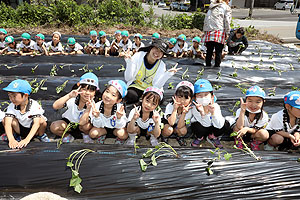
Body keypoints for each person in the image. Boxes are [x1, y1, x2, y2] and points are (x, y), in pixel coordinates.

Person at [124, 38, 181, 104]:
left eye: (161, 51)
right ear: (150, 48)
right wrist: (129, 62)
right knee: (130, 96)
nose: (157, 53)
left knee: (156, 100)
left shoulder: (161, 66)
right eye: (156, 49)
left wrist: (167, 74)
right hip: (136, 86)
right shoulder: (138, 56)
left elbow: (156, 86)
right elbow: (128, 78)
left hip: (151, 89)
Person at [50, 72, 100, 143]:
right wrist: (69, 96)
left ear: (95, 92)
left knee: (86, 126)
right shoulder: (73, 99)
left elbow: (82, 123)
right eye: (84, 89)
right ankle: (67, 136)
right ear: (79, 89)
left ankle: (86, 136)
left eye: (91, 90)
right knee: (54, 126)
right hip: (69, 124)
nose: (87, 93)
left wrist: (88, 108)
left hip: (83, 127)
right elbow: (55, 106)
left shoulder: (94, 105)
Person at [3, 79, 50, 149]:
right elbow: (8, 123)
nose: (11, 99)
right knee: (5, 120)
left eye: (14, 96)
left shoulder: (34, 105)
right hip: (20, 129)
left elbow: (36, 124)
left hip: (33, 130)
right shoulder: (12, 106)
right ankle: (15, 136)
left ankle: (41, 135)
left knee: (41, 121)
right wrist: (11, 139)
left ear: (25, 96)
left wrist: (26, 140)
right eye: (9, 96)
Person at [81, 80, 128, 144]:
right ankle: (102, 136)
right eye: (107, 91)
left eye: (113, 95)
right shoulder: (97, 106)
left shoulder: (120, 108)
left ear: (118, 100)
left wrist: (119, 118)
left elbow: (121, 126)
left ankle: (118, 138)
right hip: (102, 129)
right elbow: (96, 125)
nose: (108, 96)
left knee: (123, 134)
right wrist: (97, 117)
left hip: (115, 129)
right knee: (92, 133)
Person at [191, 79, 230, 148]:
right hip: (203, 127)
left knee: (225, 124)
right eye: (199, 95)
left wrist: (213, 113)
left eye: (206, 95)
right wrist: (203, 113)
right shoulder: (195, 109)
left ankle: (213, 137)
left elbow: (219, 125)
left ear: (212, 96)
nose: (203, 98)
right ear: (195, 98)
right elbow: (206, 125)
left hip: (214, 126)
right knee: (197, 126)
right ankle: (200, 137)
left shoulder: (216, 106)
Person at [232, 86, 269, 150]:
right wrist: (242, 111)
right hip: (240, 133)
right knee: (236, 128)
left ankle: (255, 143)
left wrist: (246, 129)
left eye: (258, 102)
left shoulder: (263, 116)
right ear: (245, 100)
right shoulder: (240, 111)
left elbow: (255, 130)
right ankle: (239, 141)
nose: (253, 105)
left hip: (253, 134)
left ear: (263, 102)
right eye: (250, 101)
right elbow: (239, 126)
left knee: (264, 134)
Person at [161, 81, 193, 146]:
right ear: (175, 96)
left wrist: (184, 113)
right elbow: (171, 123)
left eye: (186, 98)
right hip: (168, 122)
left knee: (183, 131)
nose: (182, 101)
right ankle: (164, 137)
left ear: (191, 100)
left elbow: (179, 126)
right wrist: (175, 109)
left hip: (179, 124)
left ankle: (178, 136)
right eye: (180, 97)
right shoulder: (170, 106)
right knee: (168, 130)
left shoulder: (189, 110)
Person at [203, 0, 231, 67]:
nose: (229, 2)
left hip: (209, 31)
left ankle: (207, 66)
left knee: (209, 51)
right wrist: (227, 32)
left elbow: (206, 19)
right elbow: (227, 21)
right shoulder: (226, 7)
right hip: (219, 31)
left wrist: (205, 31)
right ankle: (217, 67)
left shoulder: (211, 7)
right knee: (218, 52)